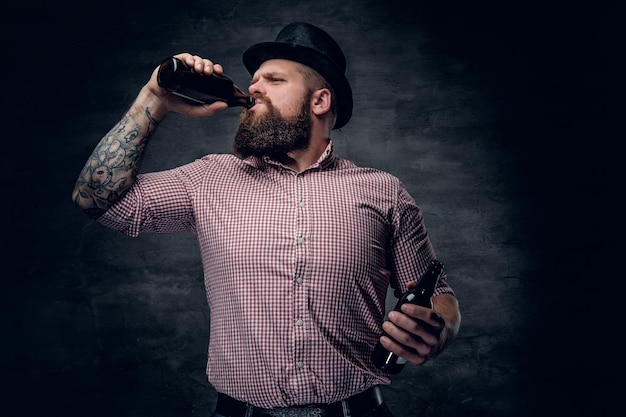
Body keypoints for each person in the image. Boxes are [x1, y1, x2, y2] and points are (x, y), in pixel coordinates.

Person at [72, 22, 461, 417]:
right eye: (254, 80)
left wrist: (439, 328)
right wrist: (154, 98)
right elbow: (95, 199)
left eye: (273, 80)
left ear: (320, 101)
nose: (254, 88)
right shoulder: (208, 178)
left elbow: (437, 292)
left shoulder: (384, 191)